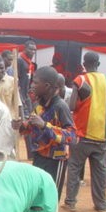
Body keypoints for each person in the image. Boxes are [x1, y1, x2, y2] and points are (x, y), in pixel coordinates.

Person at [64, 52, 106, 212]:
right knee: (99, 171)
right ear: (98, 64)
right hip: (101, 136)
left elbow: (72, 106)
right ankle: (101, 204)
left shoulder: (80, 80)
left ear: (83, 64)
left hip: (81, 135)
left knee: (74, 167)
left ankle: (71, 202)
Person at [13, 66, 75, 199]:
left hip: (56, 159)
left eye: (35, 82)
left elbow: (72, 136)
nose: (32, 85)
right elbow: (30, 127)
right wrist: (21, 126)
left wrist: (45, 126)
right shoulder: (39, 105)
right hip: (39, 156)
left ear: (46, 86)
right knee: (37, 195)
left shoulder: (60, 106)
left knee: (51, 197)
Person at [0, 56, 21, 120]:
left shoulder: (12, 81)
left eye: (1, 68)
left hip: (8, 120)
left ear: (5, 68)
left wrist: (21, 120)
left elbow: (18, 103)